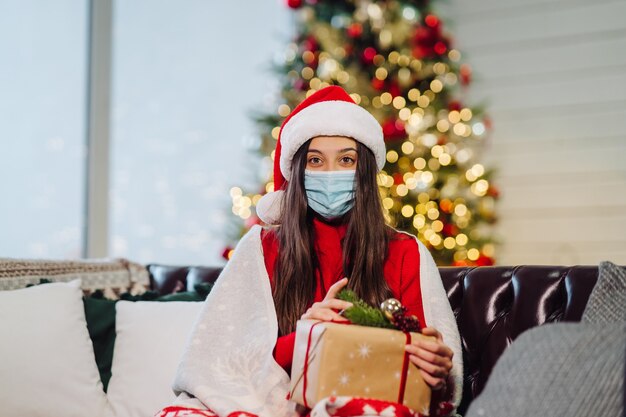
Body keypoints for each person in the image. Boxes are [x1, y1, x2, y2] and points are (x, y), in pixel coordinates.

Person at [157, 86, 462, 417]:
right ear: (298, 172)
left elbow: (426, 381)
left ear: (365, 172)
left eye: (346, 159)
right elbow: (218, 367)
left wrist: (436, 371)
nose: (331, 173)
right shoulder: (261, 249)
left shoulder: (405, 253)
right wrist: (307, 339)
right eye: (316, 161)